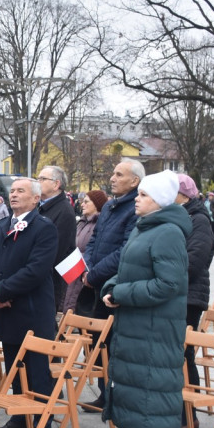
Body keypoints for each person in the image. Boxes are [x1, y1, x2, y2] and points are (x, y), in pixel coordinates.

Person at [100, 170, 190, 428]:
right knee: (149, 391)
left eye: (143, 195)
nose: (136, 199)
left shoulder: (168, 233)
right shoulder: (145, 228)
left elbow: (168, 284)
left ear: (161, 201)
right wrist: (111, 287)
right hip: (140, 324)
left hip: (158, 327)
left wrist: (122, 294)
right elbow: (127, 268)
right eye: (138, 194)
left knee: (160, 389)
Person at [0, 177, 59, 428]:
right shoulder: (3, 225)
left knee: (37, 370)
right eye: (13, 191)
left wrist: (2, 291)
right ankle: (20, 417)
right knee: (14, 366)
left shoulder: (43, 227)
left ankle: (43, 425)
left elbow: (36, 269)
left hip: (32, 310)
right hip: (8, 310)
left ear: (35, 198)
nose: (14, 195)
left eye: (21, 191)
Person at [78, 158, 144, 410]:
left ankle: (118, 397)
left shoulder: (133, 209)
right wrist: (87, 267)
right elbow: (94, 241)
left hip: (114, 286)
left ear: (134, 181)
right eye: (113, 174)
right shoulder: (109, 207)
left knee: (115, 344)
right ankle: (106, 393)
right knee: (100, 343)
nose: (112, 178)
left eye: (119, 174)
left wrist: (94, 273)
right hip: (96, 283)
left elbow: (124, 251)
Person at [174, 173, 214, 428]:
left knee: (184, 353)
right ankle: (176, 409)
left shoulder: (198, 219)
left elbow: (195, 259)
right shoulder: (177, 215)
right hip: (177, 292)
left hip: (189, 295)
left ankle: (189, 414)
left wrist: (165, 273)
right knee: (176, 354)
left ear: (184, 195)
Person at [37, 166, 77, 314]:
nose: (38, 182)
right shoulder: (41, 207)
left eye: (42, 179)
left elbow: (56, 250)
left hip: (49, 282)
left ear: (56, 184)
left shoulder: (64, 211)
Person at [62, 189, 106, 313]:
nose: (82, 204)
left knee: (76, 307)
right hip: (72, 269)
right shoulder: (81, 222)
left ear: (97, 204)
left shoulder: (99, 224)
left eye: (86, 202)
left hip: (84, 272)